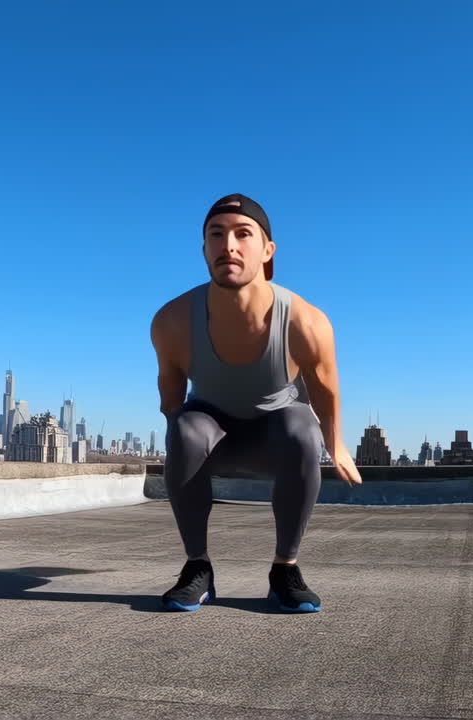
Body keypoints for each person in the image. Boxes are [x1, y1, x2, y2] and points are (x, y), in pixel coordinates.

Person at [150, 193, 362, 613]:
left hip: (277, 435)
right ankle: (198, 568)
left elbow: (325, 389)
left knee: (303, 429)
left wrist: (337, 445)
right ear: (204, 249)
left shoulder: (304, 319)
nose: (228, 245)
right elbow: (171, 400)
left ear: (267, 251)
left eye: (243, 234)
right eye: (217, 235)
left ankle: (286, 569)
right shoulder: (172, 320)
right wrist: (181, 449)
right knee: (186, 428)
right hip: (213, 435)